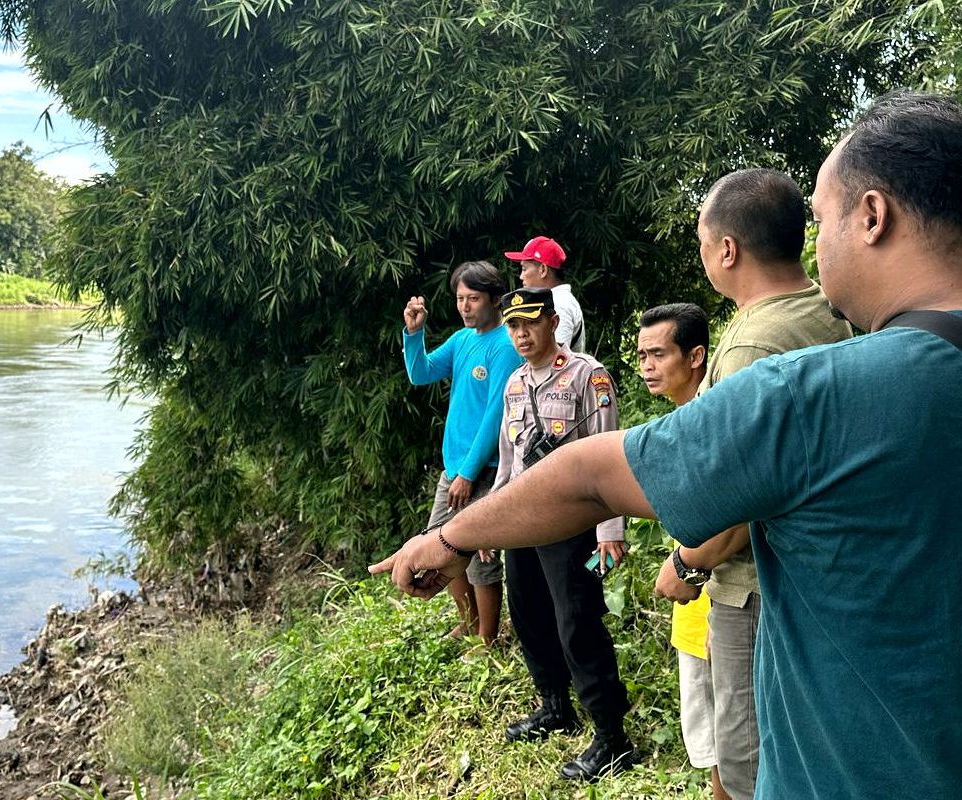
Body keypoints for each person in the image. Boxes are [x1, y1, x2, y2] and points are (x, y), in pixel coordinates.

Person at [372, 90, 962, 800]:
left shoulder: (813, 391)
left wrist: (446, 540)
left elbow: (594, 474)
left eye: (819, 216)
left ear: (872, 216)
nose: (815, 242)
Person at [649, 167, 851, 799]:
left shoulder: (750, 347)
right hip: (818, 567)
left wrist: (687, 563)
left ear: (728, 249)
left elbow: (739, 495)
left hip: (751, 586)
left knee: (744, 754)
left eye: (704, 244)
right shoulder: (831, 309)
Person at [494, 287, 638, 781]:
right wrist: (493, 519)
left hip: (572, 525)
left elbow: (608, 455)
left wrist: (609, 529)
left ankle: (612, 737)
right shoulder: (513, 384)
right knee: (529, 616)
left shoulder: (587, 376)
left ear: (553, 322)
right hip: (521, 524)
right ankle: (555, 706)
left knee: (577, 621)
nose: (520, 334)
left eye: (529, 323)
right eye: (512, 326)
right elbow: (508, 461)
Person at [402, 260, 522, 644]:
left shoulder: (504, 346)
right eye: (459, 298)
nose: (465, 306)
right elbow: (420, 373)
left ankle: (488, 637)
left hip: (482, 470)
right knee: (440, 547)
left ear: (495, 299)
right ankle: (467, 622)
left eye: (472, 298)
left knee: (481, 558)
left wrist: (469, 473)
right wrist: (414, 333)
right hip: (453, 468)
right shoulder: (462, 340)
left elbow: (495, 415)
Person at [636, 303, 725, 799]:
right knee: (714, 738)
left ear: (696, 356)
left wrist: (685, 568)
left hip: (720, 607)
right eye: (642, 355)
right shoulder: (681, 421)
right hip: (695, 613)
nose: (648, 365)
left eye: (658, 354)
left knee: (728, 742)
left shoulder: (714, 419)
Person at [504, 236, 587, 352]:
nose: (521, 277)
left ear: (543, 270)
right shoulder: (556, 300)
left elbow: (557, 360)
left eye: (524, 269)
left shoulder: (559, 304)